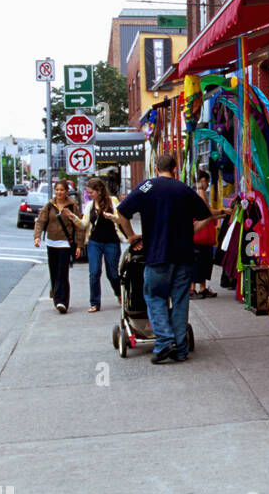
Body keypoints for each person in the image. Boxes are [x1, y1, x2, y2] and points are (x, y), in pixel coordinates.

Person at [115, 153, 222, 364]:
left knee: (155, 297)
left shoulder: (146, 187)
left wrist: (130, 236)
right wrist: (190, 232)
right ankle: (180, 348)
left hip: (157, 254)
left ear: (156, 168)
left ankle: (164, 342)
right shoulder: (183, 189)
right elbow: (206, 215)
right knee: (180, 300)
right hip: (183, 255)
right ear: (175, 168)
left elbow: (121, 212)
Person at [34, 179, 85, 313]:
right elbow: (40, 222)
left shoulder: (72, 205)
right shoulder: (49, 206)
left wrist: (79, 245)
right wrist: (37, 237)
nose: (59, 192)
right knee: (54, 272)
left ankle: (62, 301)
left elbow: (79, 226)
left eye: (62, 190)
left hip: (65, 243)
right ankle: (57, 297)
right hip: (51, 243)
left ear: (66, 191)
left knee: (63, 272)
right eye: (57, 190)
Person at [82, 176, 123, 313]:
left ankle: (119, 293)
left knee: (112, 274)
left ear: (99, 190)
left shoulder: (113, 201)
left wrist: (111, 217)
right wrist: (72, 217)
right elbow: (84, 223)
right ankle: (95, 302)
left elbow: (121, 220)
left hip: (111, 241)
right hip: (94, 242)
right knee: (94, 272)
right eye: (88, 193)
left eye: (91, 192)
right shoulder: (90, 205)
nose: (89, 195)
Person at [191, 170, 218, 299]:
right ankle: (193, 290)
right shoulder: (199, 194)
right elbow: (207, 211)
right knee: (198, 262)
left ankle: (202, 288)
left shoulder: (197, 193)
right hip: (200, 235)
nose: (208, 184)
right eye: (207, 181)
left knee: (204, 262)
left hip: (203, 235)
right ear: (202, 181)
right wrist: (224, 211)